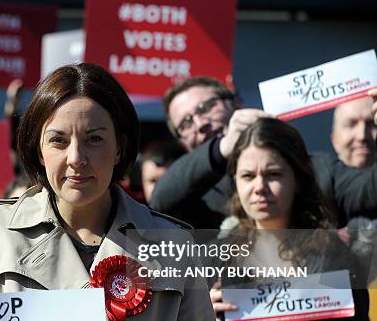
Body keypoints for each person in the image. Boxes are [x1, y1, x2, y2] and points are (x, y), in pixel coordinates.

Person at [0, 63, 225, 321]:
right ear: (38, 149)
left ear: (120, 147)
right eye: (58, 141)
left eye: (94, 139)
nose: (76, 157)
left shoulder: (174, 244)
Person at [211, 118, 376, 321]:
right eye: (248, 176)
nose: (260, 187)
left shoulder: (332, 258)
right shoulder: (218, 253)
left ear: (297, 180)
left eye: (273, 174)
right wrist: (202, 316)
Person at [152, 79, 377, 229]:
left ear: (236, 103)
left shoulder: (321, 169)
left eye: (206, 107)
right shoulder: (193, 197)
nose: (200, 123)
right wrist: (223, 147)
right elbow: (160, 201)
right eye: (186, 122)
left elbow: (371, 191)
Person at [331, 97, 376, 169]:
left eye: (371, 123)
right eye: (351, 124)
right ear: (334, 139)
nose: (362, 136)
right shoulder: (315, 178)